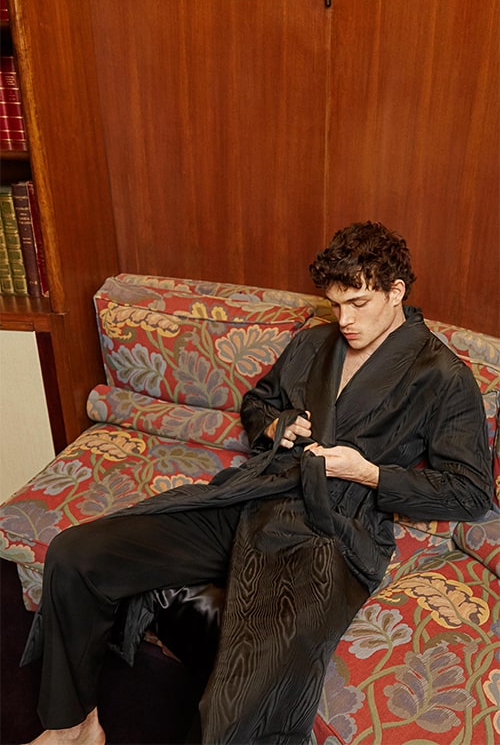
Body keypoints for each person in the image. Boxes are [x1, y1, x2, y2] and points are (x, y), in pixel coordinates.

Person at [22, 221, 492, 745]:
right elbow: (258, 402)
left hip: (329, 532)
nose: (345, 320)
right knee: (77, 553)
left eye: (358, 303)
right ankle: (73, 727)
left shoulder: (442, 376)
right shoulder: (314, 343)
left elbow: (470, 491)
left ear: (396, 291)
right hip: (254, 493)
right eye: (336, 305)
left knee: (247, 686)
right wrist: (276, 426)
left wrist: (369, 473)